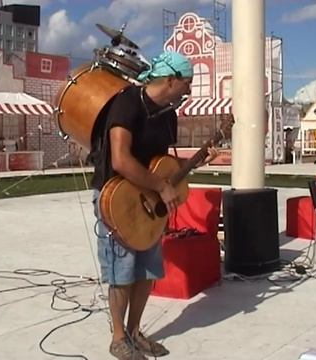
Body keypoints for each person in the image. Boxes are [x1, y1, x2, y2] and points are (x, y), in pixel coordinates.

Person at [89, 51, 219, 360]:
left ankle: (135, 332)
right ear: (170, 80)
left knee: (147, 268)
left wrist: (194, 164)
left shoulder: (168, 116)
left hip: (147, 198)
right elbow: (120, 159)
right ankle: (118, 338)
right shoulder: (127, 103)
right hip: (116, 196)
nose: (189, 89)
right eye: (186, 83)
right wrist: (160, 186)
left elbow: (161, 166)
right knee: (121, 270)